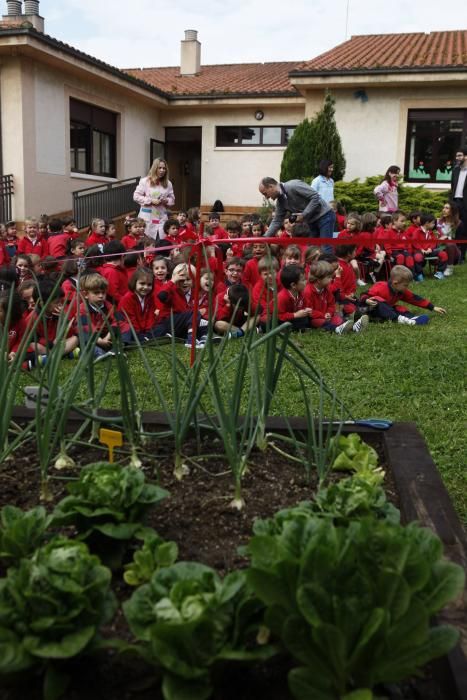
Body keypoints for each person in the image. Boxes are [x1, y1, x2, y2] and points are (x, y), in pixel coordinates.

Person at [362, 265, 446, 326]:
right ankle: (401, 320)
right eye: (405, 285)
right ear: (395, 283)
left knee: (399, 308)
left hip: (387, 311)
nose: (407, 287)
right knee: (378, 299)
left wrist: (432, 307)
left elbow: (414, 298)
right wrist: (366, 300)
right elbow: (363, 295)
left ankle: (412, 318)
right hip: (371, 311)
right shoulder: (381, 286)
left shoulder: (400, 291)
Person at [258, 177, 335, 243]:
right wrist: (264, 238)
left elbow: (315, 197)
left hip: (324, 216)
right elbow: (277, 221)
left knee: (326, 247)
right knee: (311, 250)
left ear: (271, 187)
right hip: (312, 221)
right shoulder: (280, 202)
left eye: (265, 194)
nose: (266, 198)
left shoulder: (293, 185)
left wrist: (304, 214)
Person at [304, 260, 368, 334]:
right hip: (314, 319)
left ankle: (354, 327)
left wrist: (329, 313)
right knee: (319, 322)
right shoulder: (308, 291)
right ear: (318, 280)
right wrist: (322, 315)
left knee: (339, 320)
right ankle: (336, 330)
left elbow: (331, 304)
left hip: (327, 316)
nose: (331, 279)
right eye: (328, 277)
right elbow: (309, 311)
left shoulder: (326, 289)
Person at [133, 158, 175, 241]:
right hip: (147, 219)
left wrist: (165, 200)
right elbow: (136, 196)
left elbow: (172, 200)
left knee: (160, 244)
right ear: (154, 168)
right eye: (160, 168)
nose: (162, 170)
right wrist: (151, 201)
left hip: (161, 219)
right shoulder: (145, 181)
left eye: (164, 168)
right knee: (147, 245)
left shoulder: (168, 183)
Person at [451, 147, 467, 223]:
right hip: (455, 202)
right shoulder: (455, 170)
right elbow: (452, 186)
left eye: (459, 155)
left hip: (465, 202)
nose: (457, 158)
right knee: (455, 225)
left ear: (466, 156)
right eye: (456, 156)